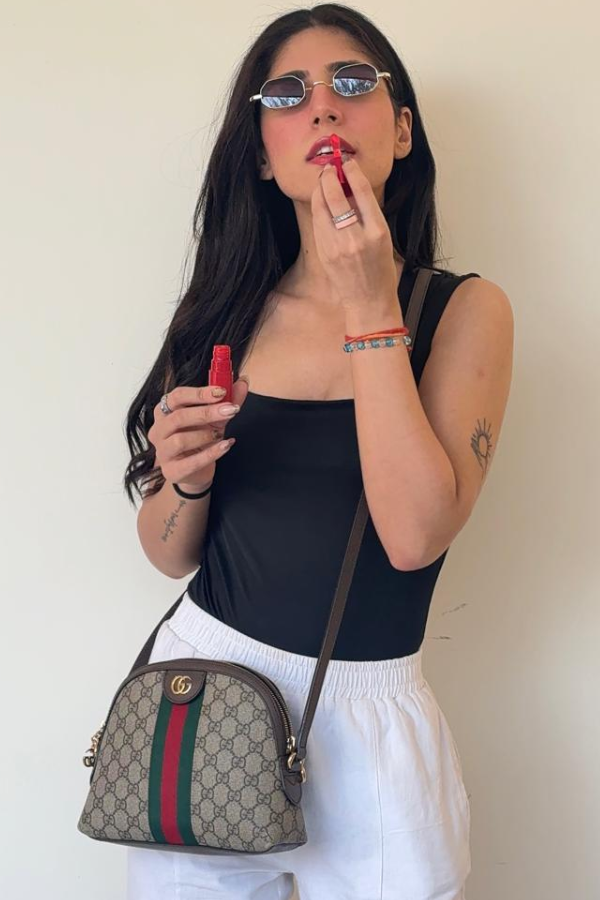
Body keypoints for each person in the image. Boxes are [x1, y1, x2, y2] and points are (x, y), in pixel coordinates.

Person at [123, 5, 514, 899]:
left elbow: (414, 537)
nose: (323, 108)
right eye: (288, 94)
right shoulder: (222, 311)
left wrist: (369, 304)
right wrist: (185, 479)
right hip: (203, 690)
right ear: (264, 154)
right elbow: (167, 551)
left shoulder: (464, 312)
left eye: (352, 83)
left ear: (401, 130)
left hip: (372, 723)